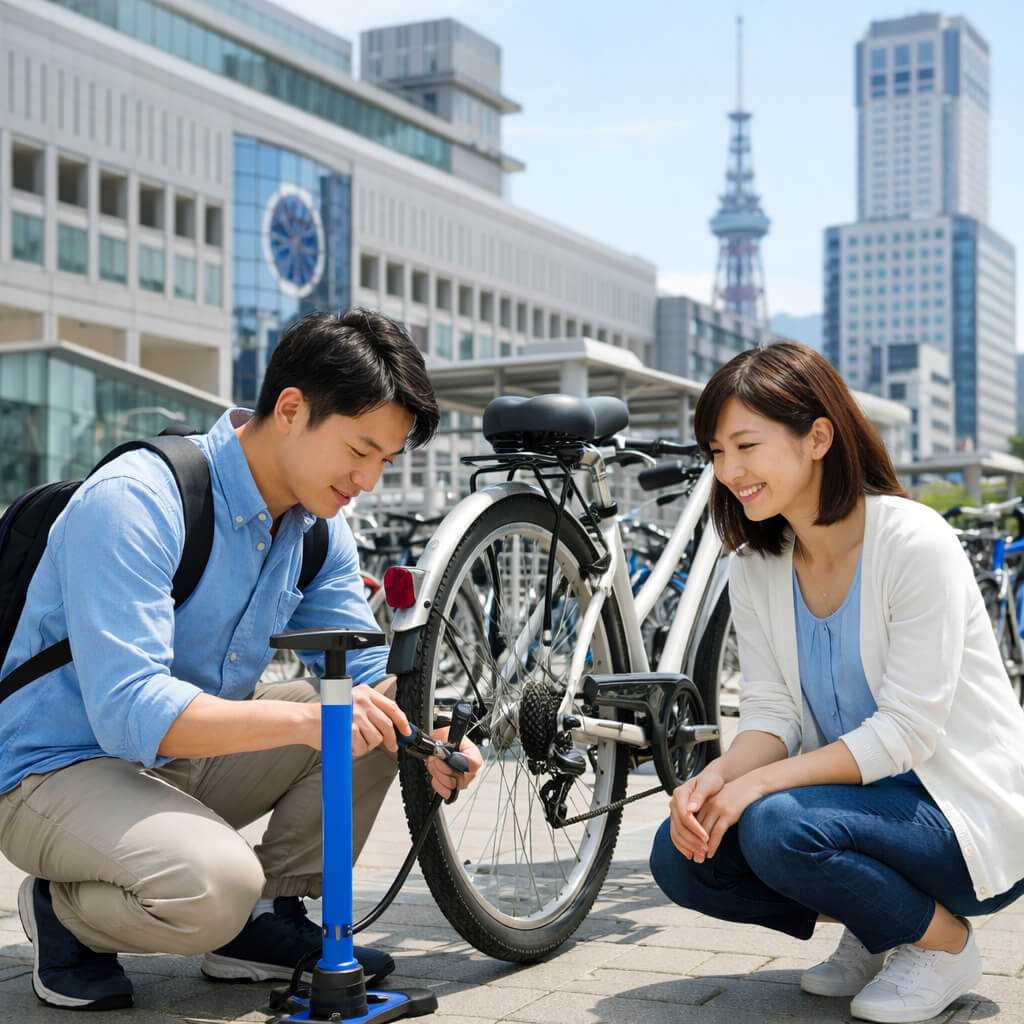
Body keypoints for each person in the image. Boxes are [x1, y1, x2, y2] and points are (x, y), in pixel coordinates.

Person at [0, 309, 482, 1012]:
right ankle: (64, 913)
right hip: (51, 770)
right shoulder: (139, 499)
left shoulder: (318, 529)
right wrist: (303, 721)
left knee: (375, 719)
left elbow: (369, 668)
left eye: (385, 460)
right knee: (215, 885)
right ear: (291, 409)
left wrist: (432, 734)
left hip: (170, 761)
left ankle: (261, 927)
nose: (369, 479)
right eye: (360, 449)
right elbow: (130, 708)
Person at [649, 341, 1024, 1023]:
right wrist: (720, 776)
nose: (728, 471)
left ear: (818, 436)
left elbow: (907, 732)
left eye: (746, 446)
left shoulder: (913, 541)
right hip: (863, 812)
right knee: (681, 854)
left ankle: (943, 945)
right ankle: (881, 924)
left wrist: (756, 784)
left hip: (961, 815)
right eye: (715, 452)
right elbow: (772, 714)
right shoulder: (757, 564)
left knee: (776, 824)